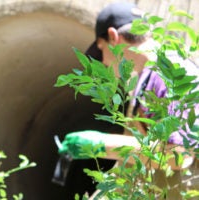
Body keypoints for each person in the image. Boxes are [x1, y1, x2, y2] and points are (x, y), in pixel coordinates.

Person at [56, 2, 199, 198]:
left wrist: (101, 144)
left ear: (113, 37)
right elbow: (138, 158)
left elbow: (179, 155)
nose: (103, 62)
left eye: (101, 50)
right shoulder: (145, 80)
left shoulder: (167, 72)